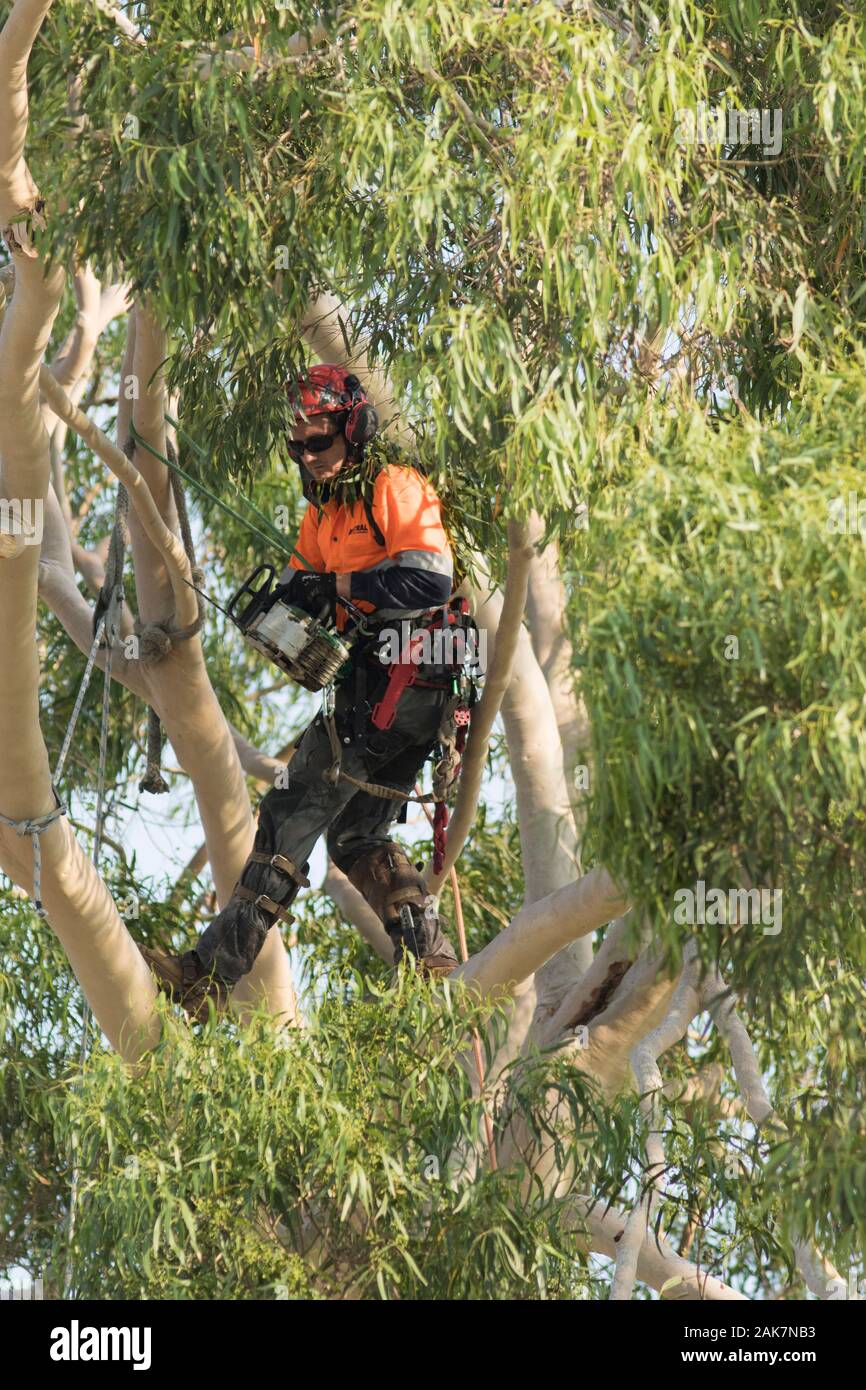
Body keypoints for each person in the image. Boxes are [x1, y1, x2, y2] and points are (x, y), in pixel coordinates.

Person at [141, 366, 462, 1020]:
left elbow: (430, 581)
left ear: (354, 428)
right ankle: (430, 957)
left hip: (404, 683)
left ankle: (206, 975)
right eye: (298, 447)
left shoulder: (394, 488)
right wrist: (280, 611)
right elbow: (300, 583)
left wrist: (340, 591)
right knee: (355, 837)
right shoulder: (324, 516)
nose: (308, 457)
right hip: (377, 699)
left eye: (319, 442)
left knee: (287, 815)